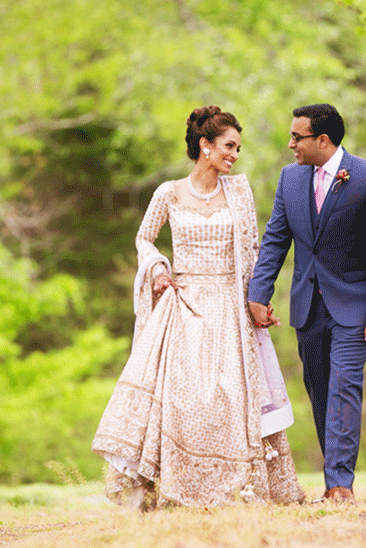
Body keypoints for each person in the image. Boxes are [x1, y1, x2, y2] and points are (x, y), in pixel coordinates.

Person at [92, 105, 306, 510]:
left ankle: (236, 487)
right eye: (229, 146)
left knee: (229, 396)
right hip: (185, 305)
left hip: (230, 307)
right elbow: (143, 239)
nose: (235, 155)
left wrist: (259, 302)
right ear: (205, 146)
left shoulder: (239, 192)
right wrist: (157, 268)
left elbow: (255, 251)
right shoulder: (168, 193)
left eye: (238, 148)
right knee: (182, 400)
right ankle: (174, 488)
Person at [247, 103, 366, 502]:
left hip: (355, 308)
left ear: (323, 140)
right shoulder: (290, 179)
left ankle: (339, 485)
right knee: (320, 390)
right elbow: (276, 239)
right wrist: (258, 295)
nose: (290, 143)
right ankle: (334, 473)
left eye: (297, 137)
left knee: (344, 387)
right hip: (307, 309)